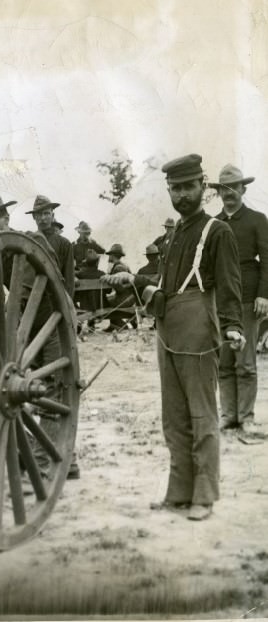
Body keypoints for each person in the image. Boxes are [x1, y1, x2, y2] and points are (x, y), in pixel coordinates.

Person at [102, 153, 244, 522]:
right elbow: (165, 291)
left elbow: (230, 285)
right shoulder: (175, 234)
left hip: (199, 325)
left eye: (188, 187)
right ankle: (179, 492)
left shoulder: (218, 231)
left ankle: (204, 496)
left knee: (202, 414)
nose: (182, 195)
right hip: (168, 328)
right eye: (175, 189)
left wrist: (233, 326)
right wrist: (133, 279)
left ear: (203, 187)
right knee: (174, 416)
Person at [0, 186, 80, 479]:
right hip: (26, 331)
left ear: (6, 217)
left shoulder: (32, 241)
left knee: (55, 388)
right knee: (35, 392)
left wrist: (10, 331)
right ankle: (68, 460)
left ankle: (43, 465)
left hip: (53, 323)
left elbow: (26, 295)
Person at [211, 165, 268, 432]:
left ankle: (246, 417)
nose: (229, 193)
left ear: (243, 189)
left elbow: (267, 261)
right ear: (219, 192)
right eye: (224, 189)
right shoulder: (214, 223)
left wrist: (263, 295)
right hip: (221, 301)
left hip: (248, 297)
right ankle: (228, 415)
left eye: (234, 188)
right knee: (224, 361)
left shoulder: (257, 220)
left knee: (245, 361)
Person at [27, 195, 75, 298]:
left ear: (52, 215)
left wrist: (67, 308)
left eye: (46, 213)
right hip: (32, 299)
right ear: (34, 217)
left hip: (55, 300)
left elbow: (69, 281)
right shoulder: (29, 241)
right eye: (39, 214)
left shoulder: (65, 244)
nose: (43, 218)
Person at [103, 244, 136, 332]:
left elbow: (120, 288)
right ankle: (114, 324)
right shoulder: (124, 265)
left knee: (105, 300)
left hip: (125, 299)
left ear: (113, 255)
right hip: (130, 297)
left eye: (110, 255)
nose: (109, 257)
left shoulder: (118, 268)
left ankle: (118, 323)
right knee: (109, 298)